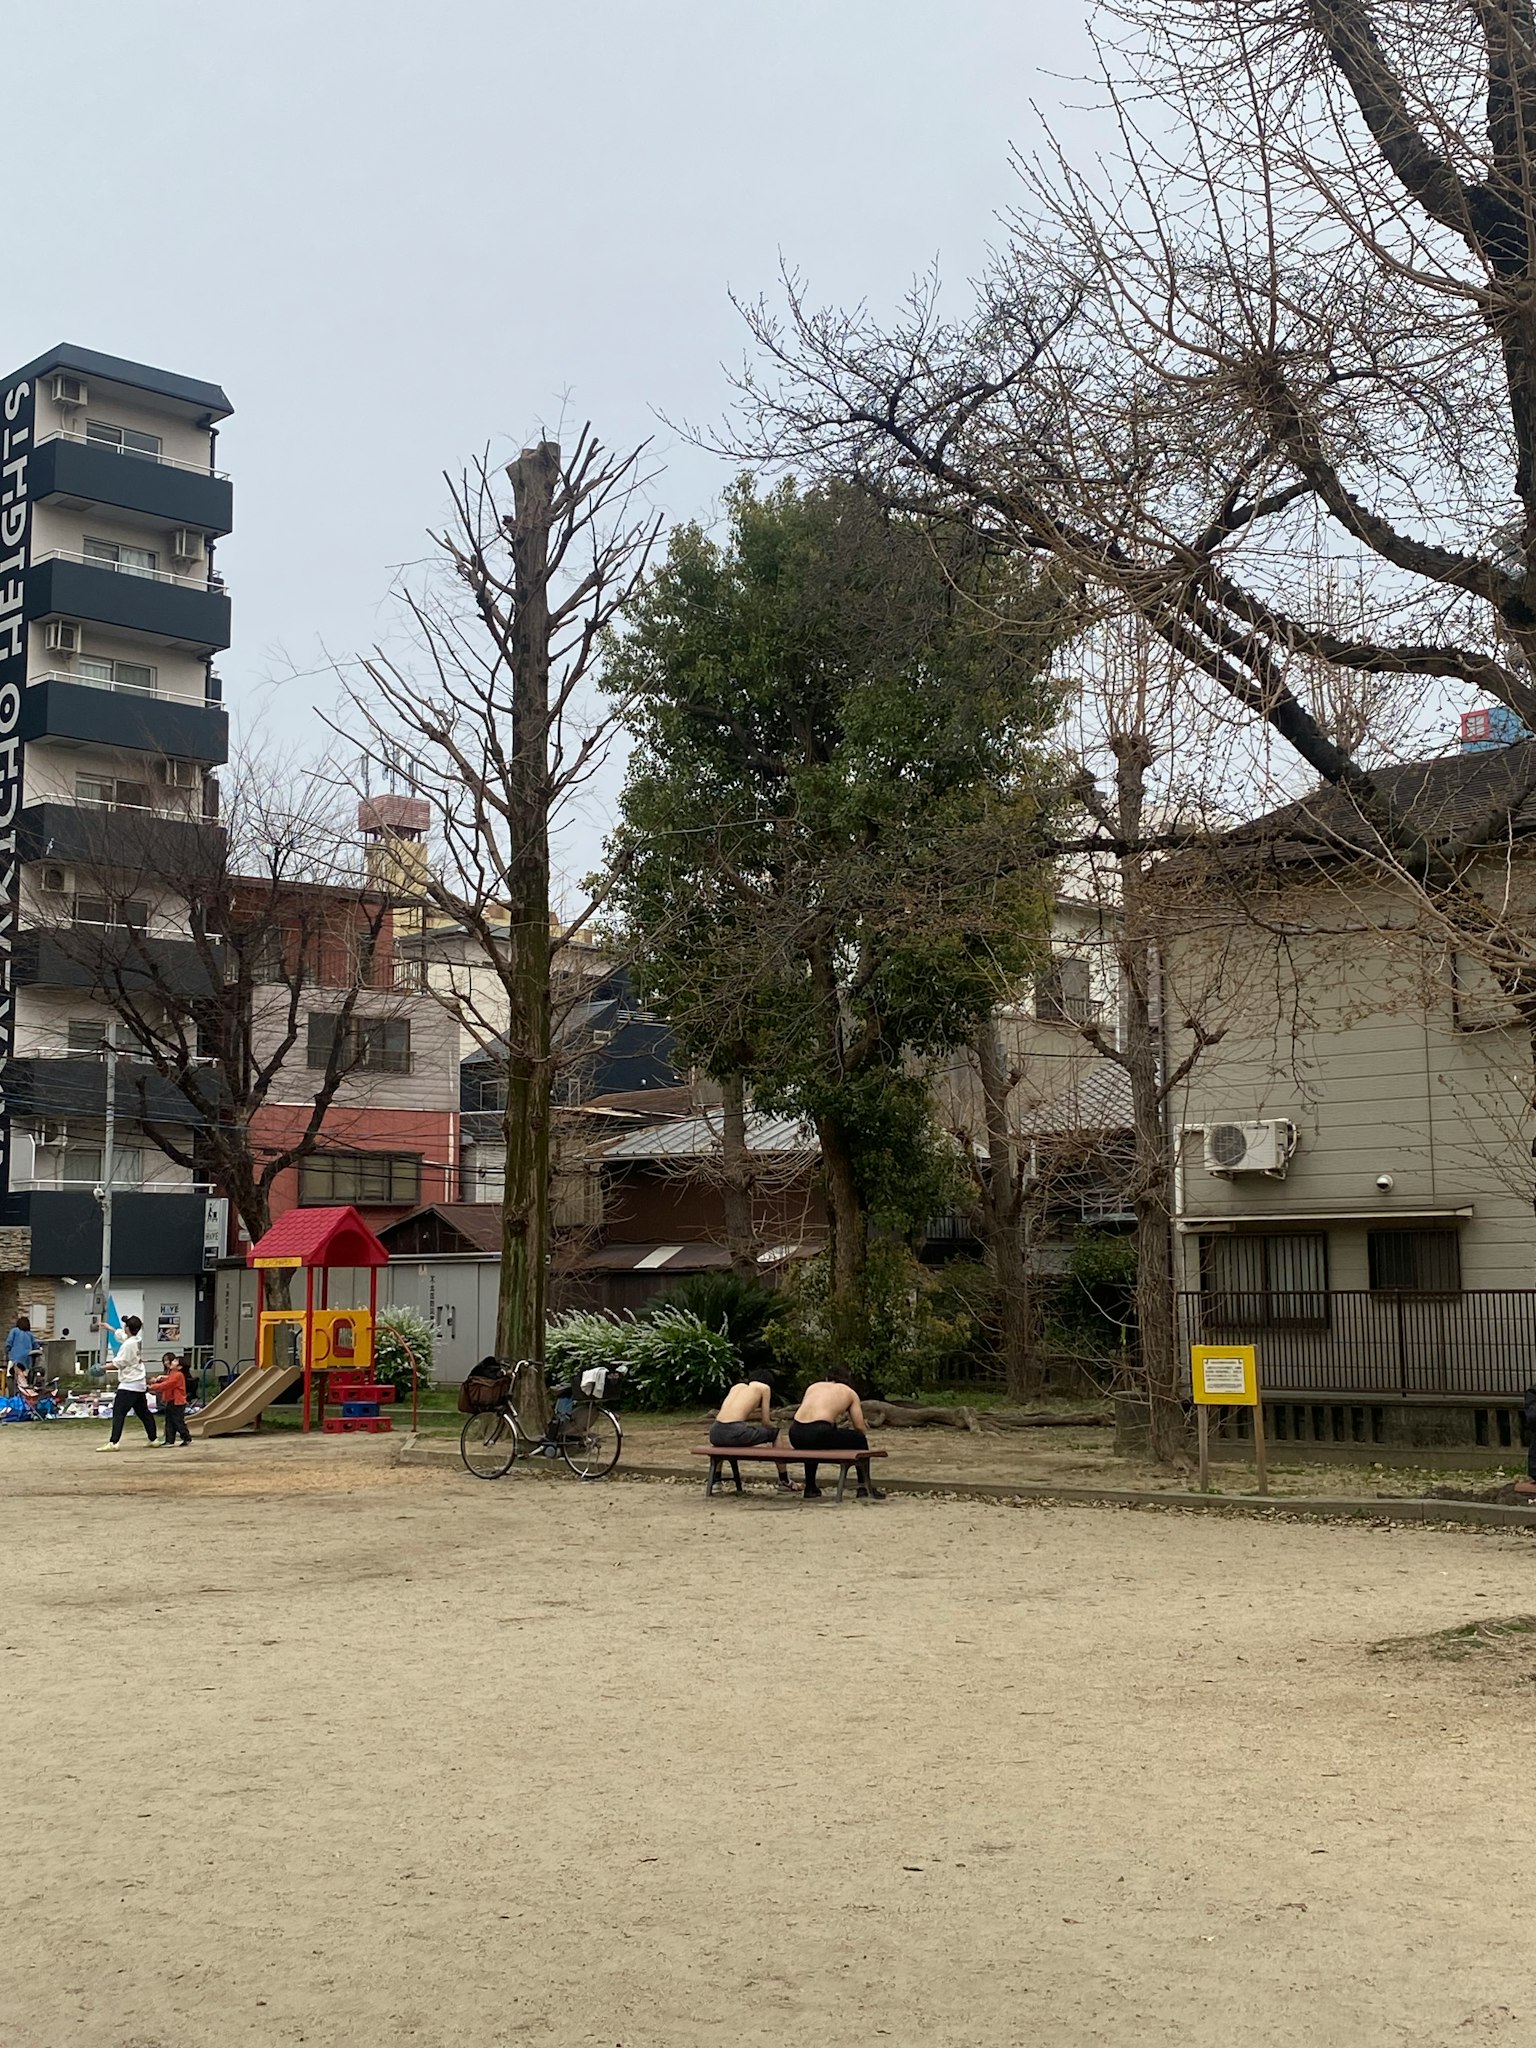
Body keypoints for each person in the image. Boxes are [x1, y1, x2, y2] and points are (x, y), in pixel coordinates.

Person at [788, 1367, 884, 1500]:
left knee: (812, 1444)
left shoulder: (813, 1387)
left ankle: (810, 1487)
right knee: (859, 1439)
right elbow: (859, 1426)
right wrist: (862, 1433)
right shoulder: (849, 1392)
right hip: (819, 1432)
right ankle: (863, 1486)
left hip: (795, 1433)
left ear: (827, 1379)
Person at [709, 1373, 792, 1491]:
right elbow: (765, 1422)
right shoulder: (764, 1388)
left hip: (715, 1432)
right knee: (775, 1433)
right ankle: (784, 1480)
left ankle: (716, 1481)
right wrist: (774, 1426)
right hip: (735, 1432)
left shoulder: (737, 1387)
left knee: (723, 1442)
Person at [97, 1316, 155, 1452]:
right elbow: (123, 1336)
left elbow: (118, 1363)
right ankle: (153, 1439)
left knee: (118, 1413)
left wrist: (101, 1368)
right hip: (139, 1383)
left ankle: (114, 1442)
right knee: (144, 1413)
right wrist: (110, 1328)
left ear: (127, 1328)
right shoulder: (136, 1340)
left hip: (129, 1384)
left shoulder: (128, 1345)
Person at [150, 1353, 191, 1448]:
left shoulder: (178, 1375)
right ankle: (169, 1440)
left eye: (175, 1361)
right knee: (169, 1421)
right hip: (172, 1401)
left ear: (180, 1367)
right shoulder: (173, 1373)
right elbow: (168, 1380)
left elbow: (167, 1384)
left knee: (177, 1421)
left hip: (177, 1402)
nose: (172, 1362)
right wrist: (160, 1379)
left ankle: (186, 1437)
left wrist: (152, 1387)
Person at [5, 1314, 40, 1395]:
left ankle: (12, 1395)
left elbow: (8, 1344)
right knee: (24, 1380)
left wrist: (7, 1352)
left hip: (14, 1359)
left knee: (10, 1376)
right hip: (27, 1361)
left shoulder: (14, 1331)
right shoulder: (30, 1334)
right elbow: (36, 1346)